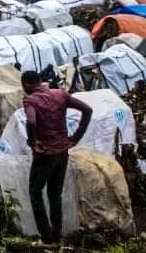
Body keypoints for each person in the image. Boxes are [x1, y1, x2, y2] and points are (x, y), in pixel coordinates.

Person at [21, 70, 93, 246]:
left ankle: (46, 238)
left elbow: (31, 122)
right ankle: (57, 235)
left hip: (45, 153)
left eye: (23, 86)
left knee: (35, 192)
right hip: (62, 152)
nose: (23, 89)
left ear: (28, 84)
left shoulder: (31, 100)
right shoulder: (60, 93)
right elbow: (87, 110)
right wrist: (75, 137)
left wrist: (32, 141)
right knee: (55, 194)